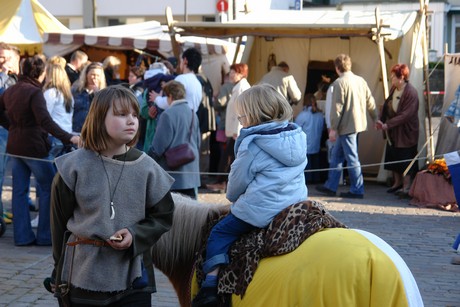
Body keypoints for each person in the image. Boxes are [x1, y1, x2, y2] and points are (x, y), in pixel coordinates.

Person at [49, 85, 175, 305]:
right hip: (81, 275)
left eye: (135, 115)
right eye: (121, 114)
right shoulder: (73, 167)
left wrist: (136, 234)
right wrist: (58, 272)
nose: (131, 121)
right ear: (99, 118)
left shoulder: (148, 168)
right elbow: (59, 226)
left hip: (132, 277)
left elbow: (163, 217)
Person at [191, 84, 308, 306]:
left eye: (241, 116)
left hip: (260, 210)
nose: (240, 120)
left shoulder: (252, 144)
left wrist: (234, 193)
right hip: (294, 205)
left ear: (253, 115)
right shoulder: (298, 136)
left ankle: (209, 288)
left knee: (218, 232)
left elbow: (234, 189)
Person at [0, 55, 80, 246]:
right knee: (49, 189)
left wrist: (12, 127)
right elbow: (46, 121)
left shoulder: (11, 90)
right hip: (34, 147)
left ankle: (22, 236)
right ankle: (45, 235)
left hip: (15, 145)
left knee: (19, 192)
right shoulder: (34, 92)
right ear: (41, 73)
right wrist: (69, 137)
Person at [316, 54, 378, 199]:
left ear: (337, 68)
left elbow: (337, 108)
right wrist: (375, 118)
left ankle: (357, 189)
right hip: (358, 124)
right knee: (338, 155)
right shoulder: (360, 80)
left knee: (351, 158)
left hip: (346, 126)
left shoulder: (339, 83)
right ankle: (331, 185)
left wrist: (333, 129)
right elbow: (370, 101)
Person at [148, 81, 201, 199]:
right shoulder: (193, 113)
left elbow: (158, 146)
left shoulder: (167, 114)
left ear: (170, 96)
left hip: (173, 174)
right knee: (192, 214)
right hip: (191, 172)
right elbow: (198, 142)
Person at [376, 64, 419, 197]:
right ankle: (397, 183)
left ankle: (406, 186)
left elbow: (406, 115)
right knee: (393, 156)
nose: (391, 79)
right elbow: (387, 104)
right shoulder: (394, 88)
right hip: (394, 131)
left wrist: (388, 124)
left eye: (393, 76)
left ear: (401, 77)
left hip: (406, 132)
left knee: (405, 158)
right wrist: (380, 119)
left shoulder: (411, 92)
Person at [207, 63, 250, 192]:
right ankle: (223, 182)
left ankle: (223, 182)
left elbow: (241, 111)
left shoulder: (241, 88)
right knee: (229, 157)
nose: (231, 74)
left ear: (241, 74)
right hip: (234, 130)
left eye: (234, 72)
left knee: (229, 157)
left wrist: (237, 130)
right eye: (231, 72)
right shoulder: (238, 87)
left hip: (237, 130)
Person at [0, 42, 20, 224]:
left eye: (6, 57)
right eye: (1, 56)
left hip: (9, 129)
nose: (2, 60)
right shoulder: (3, 75)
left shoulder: (13, 78)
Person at [149, 47, 203, 113]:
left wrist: (157, 98)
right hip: (192, 120)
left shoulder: (181, 79)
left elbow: (171, 101)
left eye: (181, 61)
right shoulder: (198, 83)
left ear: (185, 60)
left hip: (179, 119)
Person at [44, 62, 75, 159]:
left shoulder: (51, 93)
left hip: (54, 135)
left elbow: (44, 116)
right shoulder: (68, 95)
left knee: (49, 168)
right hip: (66, 134)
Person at [295, 93, 325, 184]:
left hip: (305, 146)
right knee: (315, 163)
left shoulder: (303, 115)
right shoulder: (320, 115)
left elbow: (296, 129)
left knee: (307, 165)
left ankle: (308, 180)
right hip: (316, 145)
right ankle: (315, 180)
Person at [71, 62, 106, 133]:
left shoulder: (103, 93)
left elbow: (104, 111)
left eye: (98, 75)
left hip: (94, 132)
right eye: (93, 75)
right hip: (76, 130)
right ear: (86, 75)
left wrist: (97, 94)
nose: (95, 78)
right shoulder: (76, 90)